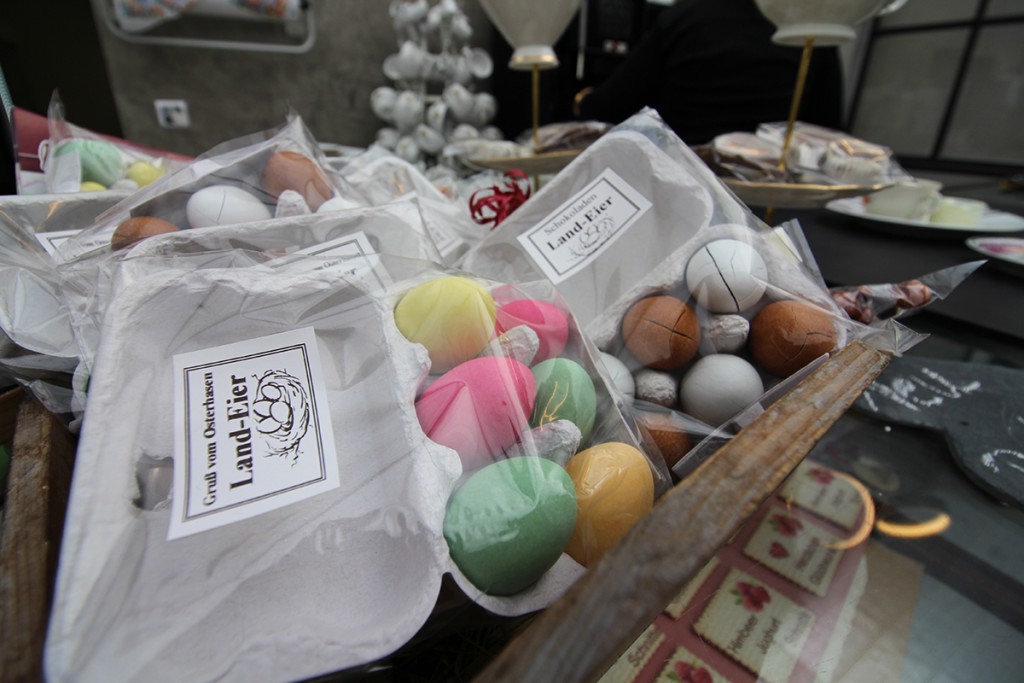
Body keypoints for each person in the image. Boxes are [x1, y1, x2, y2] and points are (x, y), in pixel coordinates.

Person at [572, 0, 844, 146]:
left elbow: (614, 104)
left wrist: (582, 101)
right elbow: (827, 128)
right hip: (775, 197)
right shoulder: (809, 30)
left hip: (677, 185)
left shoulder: (686, 15)